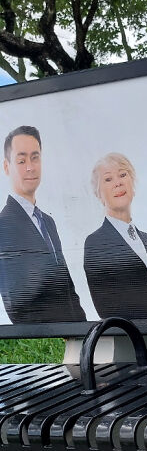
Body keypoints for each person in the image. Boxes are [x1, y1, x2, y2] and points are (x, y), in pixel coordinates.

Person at [0, 126, 86, 323]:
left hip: (73, 336)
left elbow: (67, 287)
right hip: (44, 336)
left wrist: (82, 329)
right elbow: (17, 303)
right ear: (7, 167)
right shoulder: (3, 225)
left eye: (35, 157)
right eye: (21, 161)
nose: (30, 167)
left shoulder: (48, 222)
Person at [84, 153, 147, 319]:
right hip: (125, 338)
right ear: (98, 194)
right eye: (108, 179)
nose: (118, 182)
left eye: (122, 174)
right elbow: (105, 305)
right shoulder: (95, 243)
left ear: (132, 183)